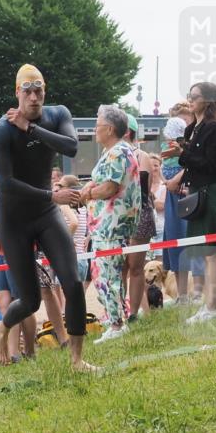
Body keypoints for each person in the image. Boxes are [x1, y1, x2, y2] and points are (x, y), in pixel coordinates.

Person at [0, 64, 92, 369]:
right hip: (14, 219)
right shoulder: (2, 129)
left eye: (39, 91)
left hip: (46, 213)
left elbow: (71, 147)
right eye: (27, 91)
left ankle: (76, 360)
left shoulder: (57, 115)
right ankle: (2, 326)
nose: (34, 97)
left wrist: (31, 128)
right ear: (17, 93)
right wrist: (52, 195)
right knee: (30, 300)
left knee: (72, 283)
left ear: (44, 92)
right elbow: (5, 183)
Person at [171, 82, 216, 324]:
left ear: (208, 100)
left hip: (212, 193)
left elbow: (212, 164)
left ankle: (212, 307)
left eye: (194, 96)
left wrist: (183, 155)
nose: (190, 99)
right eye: (189, 95)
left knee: (213, 253)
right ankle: (208, 305)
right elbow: (193, 163)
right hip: (198, 192)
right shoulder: (192, 129)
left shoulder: (214, 128)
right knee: (206, 253)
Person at [81, 106, 140, 343]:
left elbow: (109, 188)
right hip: (106, 225)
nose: (95, 130)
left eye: (97, 125)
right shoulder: (118, 151)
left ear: (110, 129)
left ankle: (117, 325)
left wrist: (88, 193)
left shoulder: (118, 152)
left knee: (108, 275)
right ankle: (115, 321)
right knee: (104, 274)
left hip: (111, 225)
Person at [160, 101, 200, 301]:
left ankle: (199, 291)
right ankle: (182, 295)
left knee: (194, 241)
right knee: (175, 241)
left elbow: (196, 164)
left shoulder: (196, 140)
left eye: (184, 119)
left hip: (190, 193)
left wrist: (177, 180)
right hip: (172, 196)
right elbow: (161, 165)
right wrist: (167, 181)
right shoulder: (168, 143)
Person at [123, 114, 155, 321]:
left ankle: (133, 313)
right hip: (117, 217)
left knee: (135, 265)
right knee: (119, 267)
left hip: (139, 214)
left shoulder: (141, 155)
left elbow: (145, 188)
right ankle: (117, 311)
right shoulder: (109, 155)